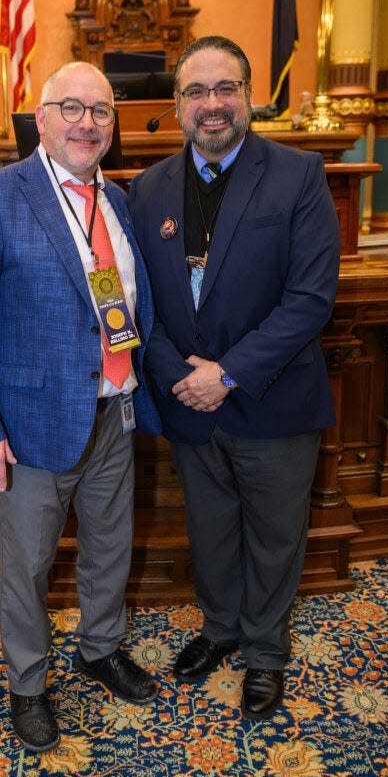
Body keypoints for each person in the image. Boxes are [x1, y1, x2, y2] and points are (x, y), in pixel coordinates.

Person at [0, 61, 161, 753]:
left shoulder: (117, 199)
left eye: (100, 111)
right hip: (31, 427)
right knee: (28, 566)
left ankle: (99, 648)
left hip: (113, 414)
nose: (86, 122)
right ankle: (28, 684)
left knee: (108, 549)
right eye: (71, 107)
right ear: (39, 118)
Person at [129, 36, 340, 720]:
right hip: (189, 401)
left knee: (275, 534)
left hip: (271, 397)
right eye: (196, 92)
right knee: (210, 528)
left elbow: (310, 298)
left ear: (249, 95)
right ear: (176, 104)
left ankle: (265, 652)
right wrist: (179, 376)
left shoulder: (298, 174)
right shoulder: (146, 187)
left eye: (226, 88)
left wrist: (228, 373)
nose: (211, 104)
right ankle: (220, 629)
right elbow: (138, 305)